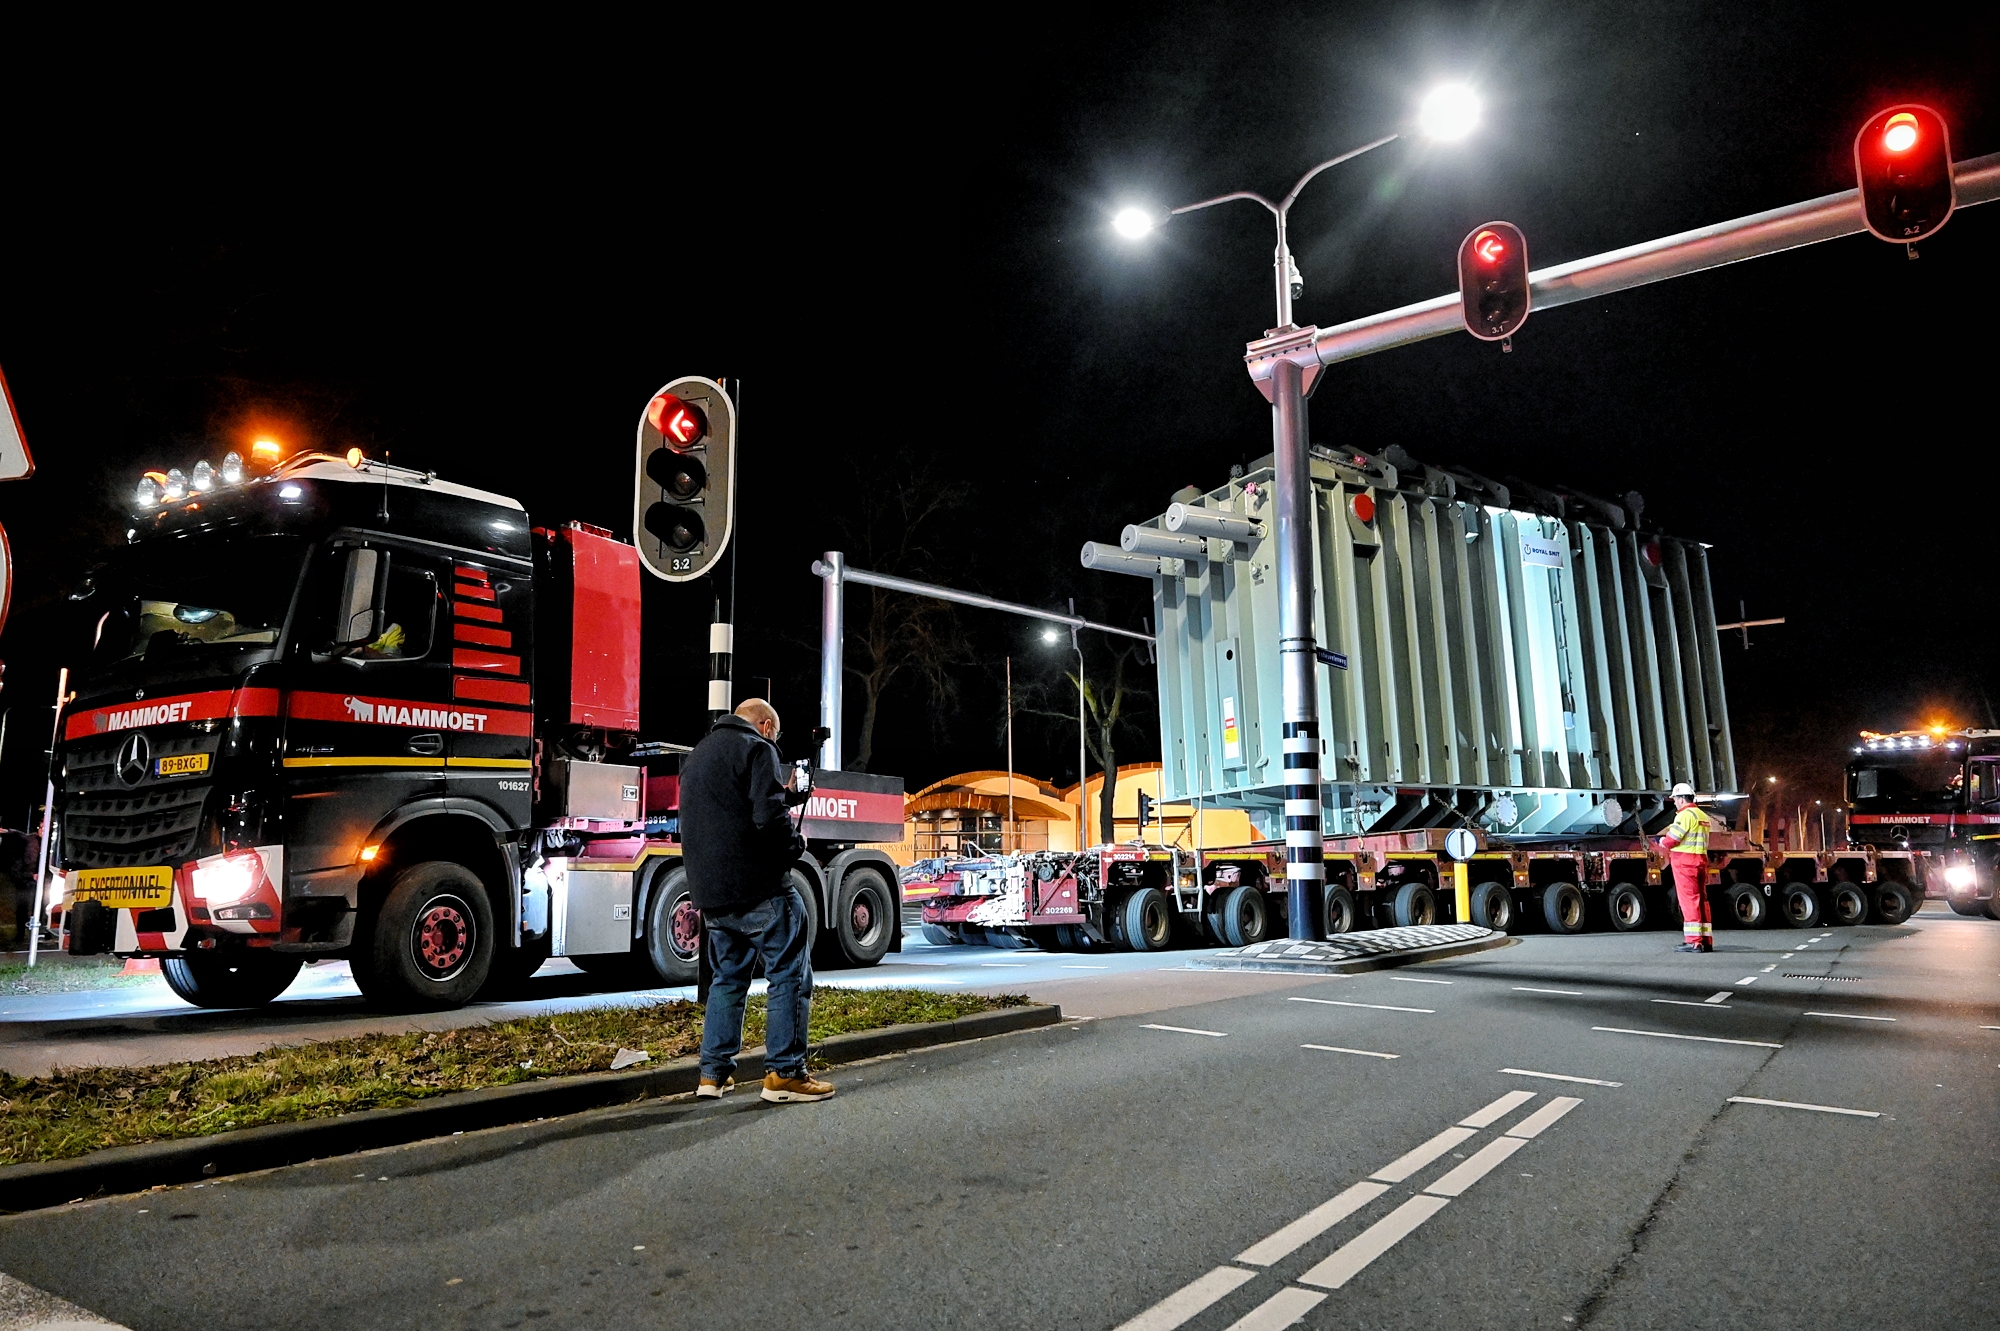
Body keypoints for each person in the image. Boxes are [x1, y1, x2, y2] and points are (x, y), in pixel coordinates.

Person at [679, 698, 833, 1103]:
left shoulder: (698, 755)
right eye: (776, 734)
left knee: (727, 979)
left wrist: (788, 798)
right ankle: (785, 1073)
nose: (775, 741)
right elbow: (767, 818)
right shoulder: (758, 748)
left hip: (711, 894)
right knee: (790, 974)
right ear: (765, 725)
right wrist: (794, 845)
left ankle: (713, 1074)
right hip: (759, 887)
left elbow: (729, 810)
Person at [1656, 782, 1714, 953]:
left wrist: (1661, 841)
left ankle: (1694, 942)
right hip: (1701, 860)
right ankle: (1706, 940)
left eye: (1675, 799)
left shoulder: (1684, 815)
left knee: (1689, 902)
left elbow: (1673, 839)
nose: (1674, 802)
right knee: (1702, 901)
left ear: (1682, 799)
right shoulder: (1702, 815)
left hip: (1685, 862)